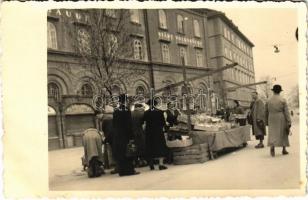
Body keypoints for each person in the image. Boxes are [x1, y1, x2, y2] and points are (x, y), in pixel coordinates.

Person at [112, 94, 140, 176]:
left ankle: (122, 171)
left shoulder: (116, 111)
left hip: (118, 135)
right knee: (128, 152)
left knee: (121, 153)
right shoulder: (126, 110)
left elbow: (114, 124)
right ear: (125, 100)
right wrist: (131, 136)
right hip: (125, 135)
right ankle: (130, 171)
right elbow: (129, 125)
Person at [265, 85, 291, 157]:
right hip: (280, 117)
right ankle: (284, 149)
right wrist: (289, 121)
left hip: (271, 117)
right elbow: (286, 112)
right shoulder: (282, 99)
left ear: (273, 91)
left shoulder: (268, 100)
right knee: (283, 132)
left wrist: (266, 120)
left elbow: (266, 111)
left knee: (272, 133)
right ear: (280, 91)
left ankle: (272, 148)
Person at [143, 99, 168, 170]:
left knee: (150, 147)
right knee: (160, 147)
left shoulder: (146, 113)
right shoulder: (160, 112)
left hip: (149, 132)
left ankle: (151, 164)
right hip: (158, 132)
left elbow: (143, 122)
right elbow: (163, 123)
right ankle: (161, 164)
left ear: (148, 105)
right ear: (156, 104)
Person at [101, 105, 117, 173]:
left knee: (115, 152)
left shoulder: (106, 119)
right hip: (116, 136)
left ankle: (117, 167)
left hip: (111, 138)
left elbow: (106, 131)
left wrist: (105, 139)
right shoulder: (114, 117)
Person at [131, 103, 147, 167]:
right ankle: (142, 161)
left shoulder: (130, 113)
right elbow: (143, 123)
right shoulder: (142, 114)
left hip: (132, 132)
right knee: (141, 146)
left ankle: (135, 161)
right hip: (140, 132)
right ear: (139, 107)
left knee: (134, 147)